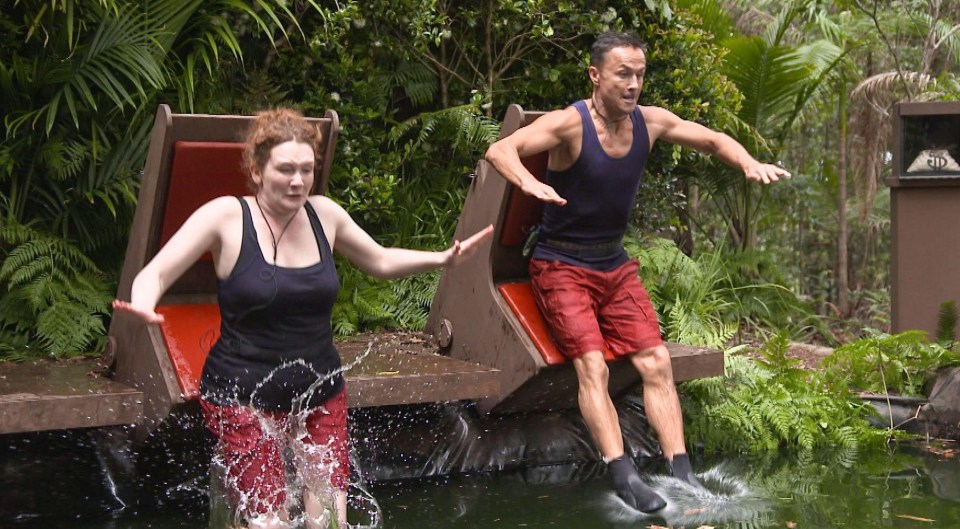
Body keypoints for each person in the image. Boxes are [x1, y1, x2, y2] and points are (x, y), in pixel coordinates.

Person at [114, 108, 493, 529]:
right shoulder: (224, 217)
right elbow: (157, 271)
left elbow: (380, 259)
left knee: (330, 521)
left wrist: (442, 258)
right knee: (270, 523)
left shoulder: (324, 215)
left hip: (319, 390)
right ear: (257, 170)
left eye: (307, 170)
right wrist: (145, 302)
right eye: (286, 169)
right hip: (243, 398)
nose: (298, 181)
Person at [484, 31, 789, 512]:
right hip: (561, 264)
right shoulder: (570, 125)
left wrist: (748, 162)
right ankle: (623, 473)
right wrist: (530, 184)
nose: (633, 84)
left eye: (640, 75)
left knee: (657, 362)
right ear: (596, 74)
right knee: (592, 365)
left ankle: (680, 472)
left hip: (613, 265)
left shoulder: (650, 123)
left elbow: (711, 139)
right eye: (623, 73)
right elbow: (501, 151)